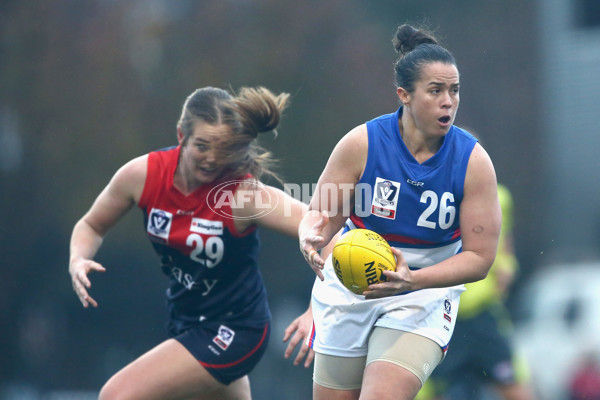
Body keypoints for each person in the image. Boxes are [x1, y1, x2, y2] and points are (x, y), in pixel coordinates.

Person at [295, 24, 502, 400]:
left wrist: (414, 281)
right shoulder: (362, 143)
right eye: (435, 91)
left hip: (422, 295)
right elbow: (321, 217)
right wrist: (308, 235)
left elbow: (480, 258)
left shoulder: (473, 161)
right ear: (404, 94)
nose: (448, 101)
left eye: (454, 90)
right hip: (349, 290)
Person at [69, 86, 309, 400]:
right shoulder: (142, 175)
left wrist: (317, 307)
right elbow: (91, 225)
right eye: (202, 145)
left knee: (116, 395)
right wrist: (78, 259)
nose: (211, 158)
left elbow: (320, 228)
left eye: (222, 149)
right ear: (181, 135)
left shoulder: (243, 195)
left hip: (236, 329)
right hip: (186, 320)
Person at [416, 184, 537, 400]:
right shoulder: (426, 192)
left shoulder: (499, 195)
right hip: (439, 315)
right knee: (430, 391)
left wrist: (507, 267)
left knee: (514, 386)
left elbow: (505, 245)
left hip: (482, 314)